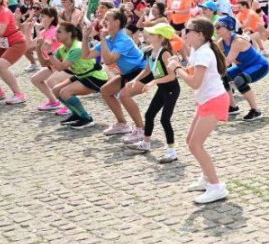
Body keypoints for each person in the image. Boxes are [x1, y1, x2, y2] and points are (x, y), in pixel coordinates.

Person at [170, 17, 231, 204]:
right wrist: (179, 62)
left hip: (214, 100)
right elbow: (192, 73)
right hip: (205, 100)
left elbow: (194, 81)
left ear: (200, 35)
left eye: (188, 30)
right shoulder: (198, 50)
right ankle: (207, 178)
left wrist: (176, 68)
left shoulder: (204, 53)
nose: (184, 33)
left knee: (196, 145)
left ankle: (216, 186)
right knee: (191, 141)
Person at [124, 23, 181, 162]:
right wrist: (135, 80)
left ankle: (172, 151)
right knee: (149, 115)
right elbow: (148, 70)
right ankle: (146, 143)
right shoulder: (150, 51)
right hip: (162, 88)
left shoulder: (165, 53)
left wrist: (153, 82)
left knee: (165, 119)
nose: (148, 35)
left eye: (152, 34)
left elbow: (172, 76)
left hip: (171, 89)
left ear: (161, 38)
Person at [88, 10, 148, 141]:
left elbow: (109, 60)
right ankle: (122, 124)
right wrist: (85, 36)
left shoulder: (123, 39)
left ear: (117, 22)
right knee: (105, 91)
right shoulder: (109, 39)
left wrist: (102, 39)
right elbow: (87, 55)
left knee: (124, 95)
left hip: (142, 70)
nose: (103, 21)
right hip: (128, 73)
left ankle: (141, 130)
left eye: (107, 18)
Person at [51, 22, 110, 128]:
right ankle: (76, 114)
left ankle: (86, 118)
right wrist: (40, 49)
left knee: (65, 92)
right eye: (56, 32)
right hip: (83, 75)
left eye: (59, 32)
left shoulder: (76, 48)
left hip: (95, 76)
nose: (56, 35)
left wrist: (50, 53)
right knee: (56, 90)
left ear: (69, 34)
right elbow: (45, 63)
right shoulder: (62, 48)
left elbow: (60, 67)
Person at [215, 15, 269, 121]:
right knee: (223, 77)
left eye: (219, 27)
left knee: (239, 80)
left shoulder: (237, 41)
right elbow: (213, 54)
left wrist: (212, 71)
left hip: (260, 66)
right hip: (244, 67)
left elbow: (227, 61)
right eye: (216, 27)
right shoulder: (222, 41)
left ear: (228, 27)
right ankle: (232, 107)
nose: (216, 29)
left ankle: (255, 110)